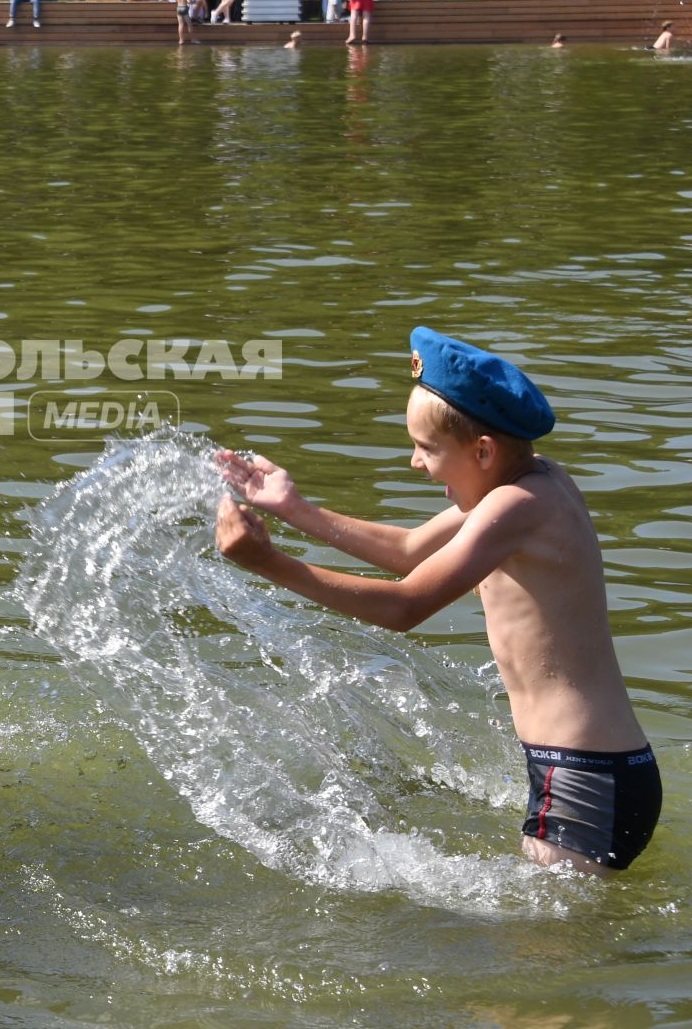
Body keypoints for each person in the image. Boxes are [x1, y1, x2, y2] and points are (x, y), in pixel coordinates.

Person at [214, 328, 659, 876]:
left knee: (546, 955)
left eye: (427, 448)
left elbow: (406, 606)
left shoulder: (518, 506)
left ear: (483, 451)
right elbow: (409, 551)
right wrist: (293, 508)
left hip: (582, 778)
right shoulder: (529, 484)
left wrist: (268, 563)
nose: (415, 463)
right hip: (600, 770)